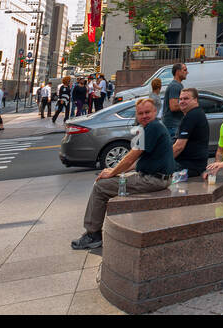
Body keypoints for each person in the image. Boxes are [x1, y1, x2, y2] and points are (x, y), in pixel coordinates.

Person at [72, 97, 176, 250]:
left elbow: (130, 157)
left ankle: (92, 234)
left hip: (153, 180)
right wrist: (114, 172)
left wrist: (112, 172)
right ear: (136, 115)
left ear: (155, 112)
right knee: (108, 181)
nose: (144, 116)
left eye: (148, 112)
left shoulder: (153, 128)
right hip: (156, 178)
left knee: (101, 186)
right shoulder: (152, 127)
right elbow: (135, 162)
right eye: (140, 113)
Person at [171, 88, 210, 177]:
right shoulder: (195, 113)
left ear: (195, 100)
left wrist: (163, 161)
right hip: (194, 165)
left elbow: (179, 147)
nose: (182, 101)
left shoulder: (192, 116)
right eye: (180, 99)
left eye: (186, 99)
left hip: (187, 166)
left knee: (150, 168)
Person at [161, 63, 188, 138]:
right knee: (174, 148)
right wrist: (188, 106)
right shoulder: (175, 86)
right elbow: (173, 107)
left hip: (174, 125)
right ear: (177, 72)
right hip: (172, 126)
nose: (187, 72)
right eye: (185, 70)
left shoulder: (178, 85)